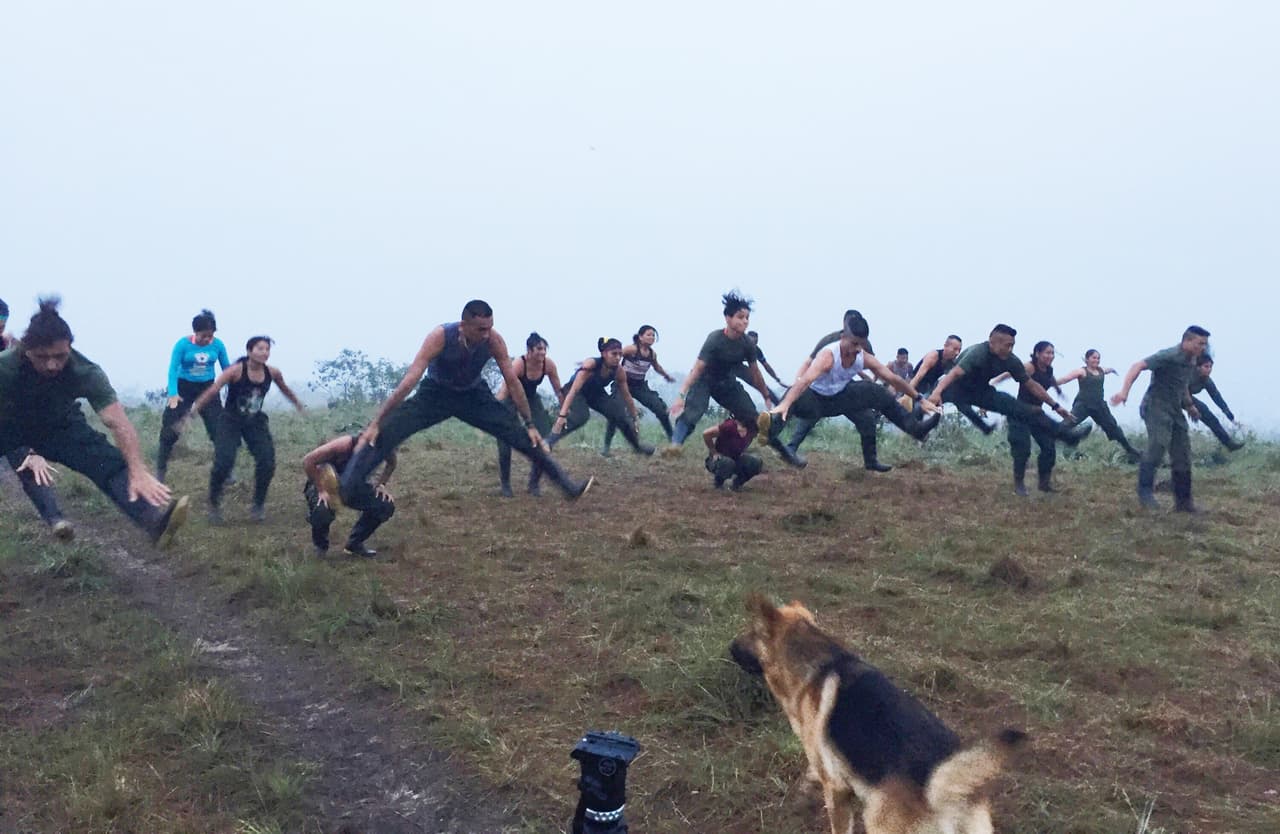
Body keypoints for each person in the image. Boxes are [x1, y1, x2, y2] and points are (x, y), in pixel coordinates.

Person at [338, 300, 593, 508]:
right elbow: (409, 380)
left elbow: (513, 382)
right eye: (480, 329)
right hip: (435, 394)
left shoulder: (494, 340)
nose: (486, 334)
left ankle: (567, 487)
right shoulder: (440, 336)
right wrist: (376, 423)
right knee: (387, 433)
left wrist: (529, 423)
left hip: (473, 396)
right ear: (464, 325)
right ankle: (347, 487)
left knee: (523, 436)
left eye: (490, 328)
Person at [0, 297, 188, 547]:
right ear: (25, 349)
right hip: (7, 423)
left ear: (70, 347)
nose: (52, 364)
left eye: (60, 356)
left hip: (60, 427)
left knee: (112, 463)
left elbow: (118, 422)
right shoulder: (5, 367)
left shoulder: (86, 371)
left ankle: (154, 521)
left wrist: (138, 470)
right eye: (42, 357)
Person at [767, 312, 942, 466]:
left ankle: (916, 430)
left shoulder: (862, 355)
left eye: (861, 345)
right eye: (854, 344)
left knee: (877, 392)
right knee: (790, 402)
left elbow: (892, 378)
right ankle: (771, 435)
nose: (857, 349)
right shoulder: (827, 355)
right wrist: (786, 403)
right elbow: (805, 380)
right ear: (843, 336)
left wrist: (920, 399)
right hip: (815, 399)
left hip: (840, 396)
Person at [926, 324, 1092, 475]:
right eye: (1007, 345)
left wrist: (1055, 406)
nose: (1010, 348)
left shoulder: (1011, 360)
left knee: (1025, 409)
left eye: (1013, 345)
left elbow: (1031, 384)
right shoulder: (978, 353)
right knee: (926, 406)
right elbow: (954, 374)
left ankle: (1068, 436)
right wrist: (937, 393)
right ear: (993, 343)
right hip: (955, 389)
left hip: (982, 392)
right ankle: (917, 425)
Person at [188, 336, 305, 523]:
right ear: (249, 351)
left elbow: (284, 389)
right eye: (260, 349)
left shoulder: (272, 373)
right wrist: (193, 412)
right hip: (230, 420)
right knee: (223, 462)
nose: (264, 353)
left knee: (267, 461)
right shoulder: (235, 371)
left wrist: (298, 404)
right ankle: (214, 504)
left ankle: (258, 505)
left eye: (267, 349)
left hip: (255, 421)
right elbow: (213, 390)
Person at [531, 338, 655, 493]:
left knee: (618, 413)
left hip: (595, 394)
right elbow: (574, 390)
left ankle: (637, 446)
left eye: (619, 354)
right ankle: (547, 444)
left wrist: (635, 417)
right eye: (613, 354)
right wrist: (562, 417)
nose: (617, 357)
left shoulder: (619, 371)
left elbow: (627, 396)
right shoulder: (591, 365)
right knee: (580, 417)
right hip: (575, 393)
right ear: (603, 354)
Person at [1111, 326, 1211, 511]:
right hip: (1155, 407)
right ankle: (1145, 493)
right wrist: (1124, 392)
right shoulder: (1169, 355)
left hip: (1175, 409)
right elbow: (1137, 366)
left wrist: (1190, 406)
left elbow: (1182, 385)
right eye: (1200, 343)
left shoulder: (1192, 359)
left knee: (1183, 454)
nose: (1203, 348)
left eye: (1205, 344)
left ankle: (1183, 503)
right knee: (1158, 445)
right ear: (1187, 341)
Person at [669, 292, 777, 447]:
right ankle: (675, 445)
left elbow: (755, 373)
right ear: (728, 318)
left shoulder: (747, 344)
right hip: (704, 381)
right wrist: (681, 396)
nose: (745, 321)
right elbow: (697, 368)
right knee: (693, 413)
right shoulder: (715, 339)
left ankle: (785, 452)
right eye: (740, 317)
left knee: (752, 416)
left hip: (726, 382)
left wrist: (766, 395)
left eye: (747, 318)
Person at [155, 308, 232, 482]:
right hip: (183, 388)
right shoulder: (182, 345)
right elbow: (172, 370)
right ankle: (160, 470)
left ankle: (225, 470)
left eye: (210, 336)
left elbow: (227, 369)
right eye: (204, 335)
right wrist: (173, 394)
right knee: (170, 428)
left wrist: (232, 387)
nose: (207, 339)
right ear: (195, 332)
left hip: (208, 387)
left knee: (218, 429)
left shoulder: (218, 345)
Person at [303, 433, 396, 557]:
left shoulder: (383, 448)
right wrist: (321, 490)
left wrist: (381, 485)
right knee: (322, 511)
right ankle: (320, 546)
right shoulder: (344, 445)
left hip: (352, 485)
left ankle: (355, 544)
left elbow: (392, 463)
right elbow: (308, 461)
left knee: (384, 505)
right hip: (324, 482)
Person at [495, 332, 565, 497]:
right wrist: (495, 411)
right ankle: (505, 485)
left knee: (545, 437)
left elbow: (558, 390)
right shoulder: (519, 364)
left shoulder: (548, 365)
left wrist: (564, 411)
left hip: (531, 399)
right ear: (529, 350)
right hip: (511, 399)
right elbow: (505, 389)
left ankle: (533, 483)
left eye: (544, 349)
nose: (542, 353)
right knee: (504, 440)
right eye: (539, 349)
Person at [1000, 341, 1067, 496]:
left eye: (1052, 353)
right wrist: (994, 382)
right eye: (1047, 353)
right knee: (1022, 449)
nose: (1050, 356)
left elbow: (1050, 378)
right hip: (1020, 413)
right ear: (1037, 353)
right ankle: (1019, 484)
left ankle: (1044, 483)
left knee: (1049, 447)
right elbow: (1010, 373)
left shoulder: (1049, 369)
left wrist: (1058, 390)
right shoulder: (1029, 367)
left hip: (1037, 414)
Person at [1054, 349, 1143, 462]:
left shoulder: (1101, 370)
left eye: (1098, 358)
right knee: (1066, 425)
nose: (1096, 360)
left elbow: (1107, 370)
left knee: (1114, 429)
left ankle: (1131, 451)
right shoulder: (1082, 371)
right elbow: (1066, 378)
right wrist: (1051, 383)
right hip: (1083, 405)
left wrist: (1113, 370)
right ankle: (1057, 445)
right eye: (1094, 358)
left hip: (1099, 406)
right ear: (1087, 359)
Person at [602, 325, 675, 456]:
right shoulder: (632, 349)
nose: (651, 337)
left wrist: (667, 376)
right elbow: (615, 356)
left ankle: (674, 441)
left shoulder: (652, 354)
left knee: (660, 409)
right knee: (615, 413)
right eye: (648, 334)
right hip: (622, 384)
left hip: (640, 386)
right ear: (640, 337)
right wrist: (604, 369)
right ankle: (606, 448)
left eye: (653, 335)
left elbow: (656, 367)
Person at [908, 334, 993, 434]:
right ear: (946, 346)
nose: (957, 353)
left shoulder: (952, 363)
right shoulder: (933, 356)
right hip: (915, 388)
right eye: (955, 349)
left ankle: (983, 426)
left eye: (959, 350)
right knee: (918, 409)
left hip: (931, 389)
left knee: (960, 400)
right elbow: (919, 376)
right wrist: (907, 394)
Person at [1188, 354, 1244, 451]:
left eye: (1210, 367)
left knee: (1208, 415)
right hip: (1167, 395)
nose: (1209, 369)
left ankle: (1229, 444)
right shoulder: (1188, 375)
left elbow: (1217, 398)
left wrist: (1231, 417)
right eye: (1206, 366)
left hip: (1185, 398)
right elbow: (1180, 390)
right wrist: (1191, 406)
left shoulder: (1207, 381)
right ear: (1197, 367)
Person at [703, 416, 763, 491]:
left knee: (756, 463)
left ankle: (736, 484)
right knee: (727, 462)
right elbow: (706, 434)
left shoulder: (752, 431)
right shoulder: (730, 426)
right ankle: (718, 484)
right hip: (718, 460)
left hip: (736, 458)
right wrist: (714, 452)